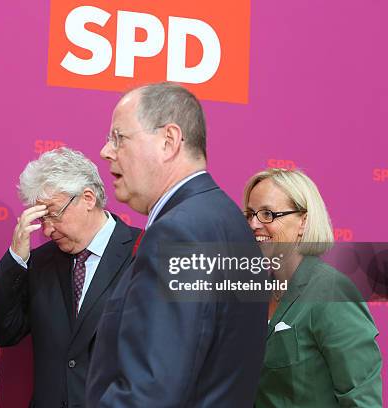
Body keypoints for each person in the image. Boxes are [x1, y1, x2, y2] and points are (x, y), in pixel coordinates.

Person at [86, 82, 268, 407]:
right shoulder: (227, 223)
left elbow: (150, 393)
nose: (106, 151)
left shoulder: (180, 233)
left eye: (119, 138)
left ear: (168, 142)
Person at [0, 147, 141, 408]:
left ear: (88, 198)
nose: (47, 230)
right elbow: (3, 332)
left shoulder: (146, 252)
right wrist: (15, 259)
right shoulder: (41, 262)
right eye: (41, 218)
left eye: (53, 214)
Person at [243, 168, 382, 407]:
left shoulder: (332, 291)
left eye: (267, 214)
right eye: (250, 214)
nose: (254, 224)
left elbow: (361, 400)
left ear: (303, 222)